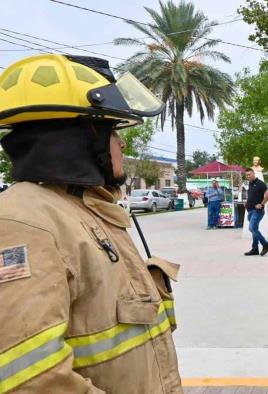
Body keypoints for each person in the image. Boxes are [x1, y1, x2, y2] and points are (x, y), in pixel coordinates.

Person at [0, 54, 182, 392]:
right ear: (82, 139)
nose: (122, 143)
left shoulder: (86, 208)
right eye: (113, 131)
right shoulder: (22, 222)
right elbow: (32, 380)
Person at [244, 168, 268, 256]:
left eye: (249, 174)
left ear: (253, 174)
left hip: (257, 211)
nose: (248, 176)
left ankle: (265, 244)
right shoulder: (250, 183)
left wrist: (262, 204)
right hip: (250, 211)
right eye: (247, 175)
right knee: (254, 229)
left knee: (252, 228)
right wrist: (247, 202)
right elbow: (252, 195)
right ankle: (255, 249)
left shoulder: (260, 183)